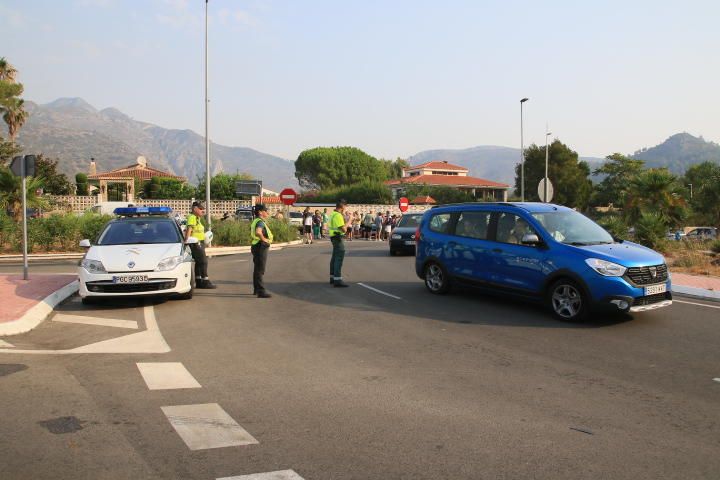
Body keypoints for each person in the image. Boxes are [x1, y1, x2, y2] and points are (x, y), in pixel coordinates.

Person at [185, 201, 216, 289]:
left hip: (199, 242)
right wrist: (186, 240)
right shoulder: (192, 217)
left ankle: (199, 281)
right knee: (203, 261)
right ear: (195, 209)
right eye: (201, 209)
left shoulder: (196, 218)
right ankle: (205, 281)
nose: (203, 211)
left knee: (199, 263)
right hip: (195, 243)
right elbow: (189, 229)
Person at [250, 204, 273, 298]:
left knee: (257, 269)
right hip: (260, 246)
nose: (267, 212)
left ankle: (256, 289)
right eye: (265, 210)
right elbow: (258, 232)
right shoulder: (260, 222)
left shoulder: (256, 221)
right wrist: (264, 239)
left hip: (256, 246)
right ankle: (261, 291)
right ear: (260, 212)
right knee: (260, 269)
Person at [329, 199, 349, 287]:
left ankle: (332, 278)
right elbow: (343, 229)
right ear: (343, 206)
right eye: (346, 206)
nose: (346, 208)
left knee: (334, 258)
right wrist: (350, 220)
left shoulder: (333, 214)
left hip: (333, 237)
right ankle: (337, 280)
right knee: (339, 258)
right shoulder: (338, 215)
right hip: (338, 238)